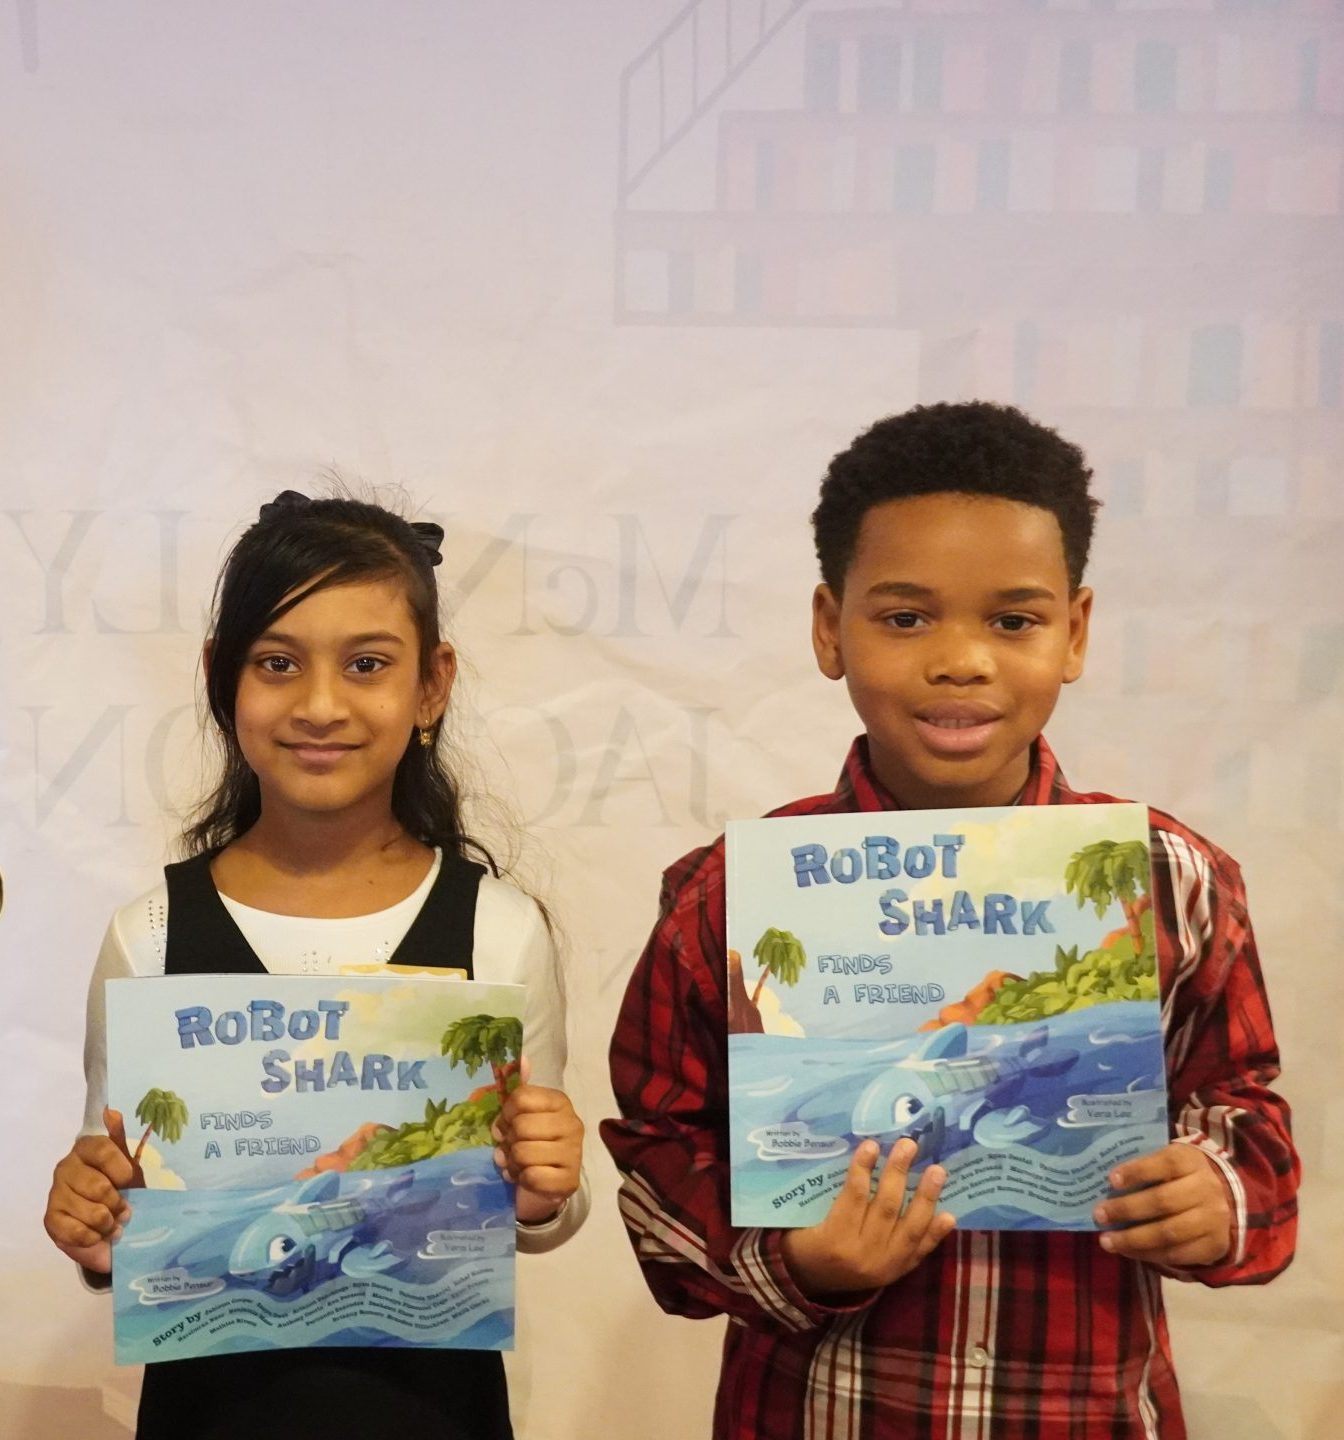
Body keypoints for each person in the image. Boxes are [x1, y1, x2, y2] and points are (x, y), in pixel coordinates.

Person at [601, 401, 1298, 1440]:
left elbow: (1243, 1109)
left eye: (1013, 621)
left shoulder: (1174, 881)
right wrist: (796, 1263)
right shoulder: (732, 894)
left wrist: (1217, 1194)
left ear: (1075, 632)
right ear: (829, 628)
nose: (961, 660)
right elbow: (661, 1149)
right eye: (906, 618)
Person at [43, 491, 588, 1440]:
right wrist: (93, 1221)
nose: (321, 705)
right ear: (221, 679)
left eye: (367, 664)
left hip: (435, 1414)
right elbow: (118, 1201)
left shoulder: (500, 932)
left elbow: (540, 1205)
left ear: (432, 685)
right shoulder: (150, 934)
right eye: (278, 663)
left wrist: (544, 1192)